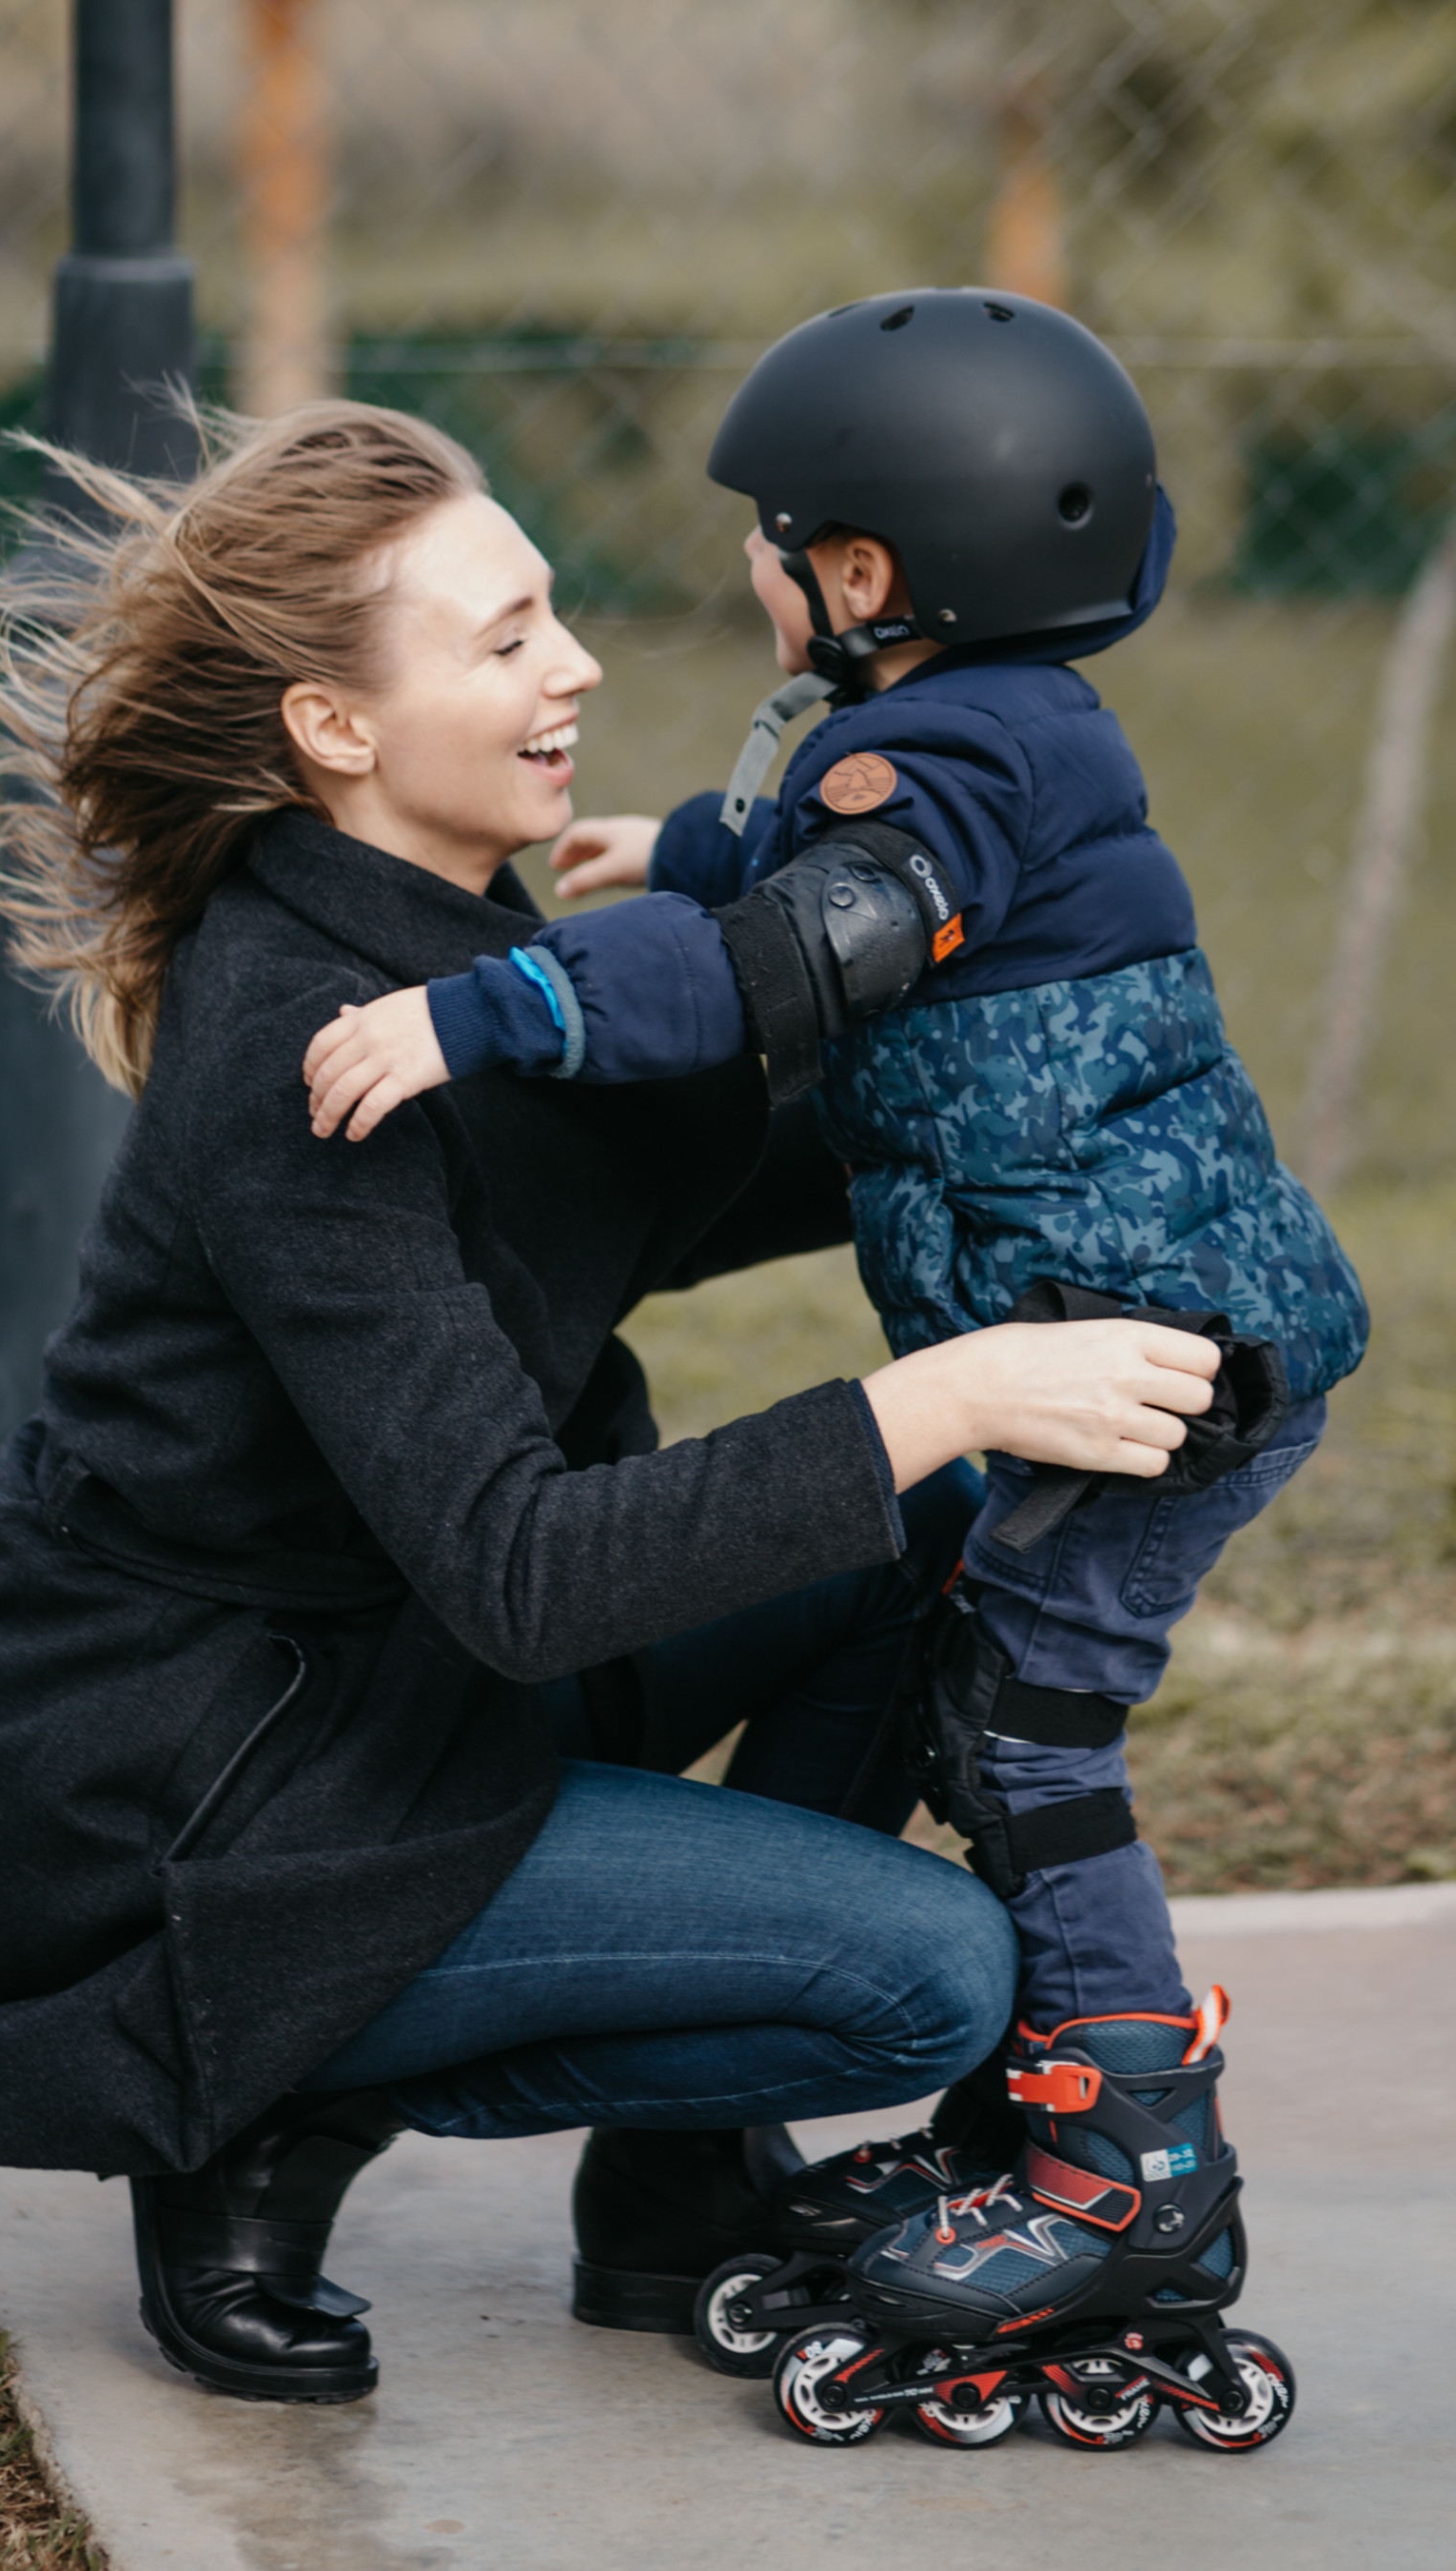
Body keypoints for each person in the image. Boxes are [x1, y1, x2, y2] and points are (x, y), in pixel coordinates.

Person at [0, 393, 1223, 2411]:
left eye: (553, 617)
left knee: (918, 1549)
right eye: (505, 633)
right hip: (220, 1793)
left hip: (403, 1674)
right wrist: (953, 1381)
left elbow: (703, 1156)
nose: (580, 664)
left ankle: (677, 2199)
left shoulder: (450, 958)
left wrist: (1093, 1114)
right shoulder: (311, 1052)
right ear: (336, 729)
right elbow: (529, 1572)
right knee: (922, 1978)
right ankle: (262, 2089)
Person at [300, 298, 1369, 2359]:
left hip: (1146, 1363)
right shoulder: (996, 729)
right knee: (976, 1676)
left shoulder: (962, 759)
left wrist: (495, 1003)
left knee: (1028, 1736)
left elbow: (802, 952)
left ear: (864, 578)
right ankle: (1052, 2107)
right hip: (1120, 1328)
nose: (753, 569)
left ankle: (1128, 2163)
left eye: (776, 539)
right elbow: (824, 843)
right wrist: (673, 847)